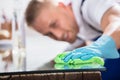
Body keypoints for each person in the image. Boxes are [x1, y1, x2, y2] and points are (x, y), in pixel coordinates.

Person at [25, 0, 120, 80]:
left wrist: (97, 49)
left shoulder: (90, 5)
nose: (59, 35)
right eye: (49, 34)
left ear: (62, 6)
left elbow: (117, 24)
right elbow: (68, 54)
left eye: (54, 24)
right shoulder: (75, 30)